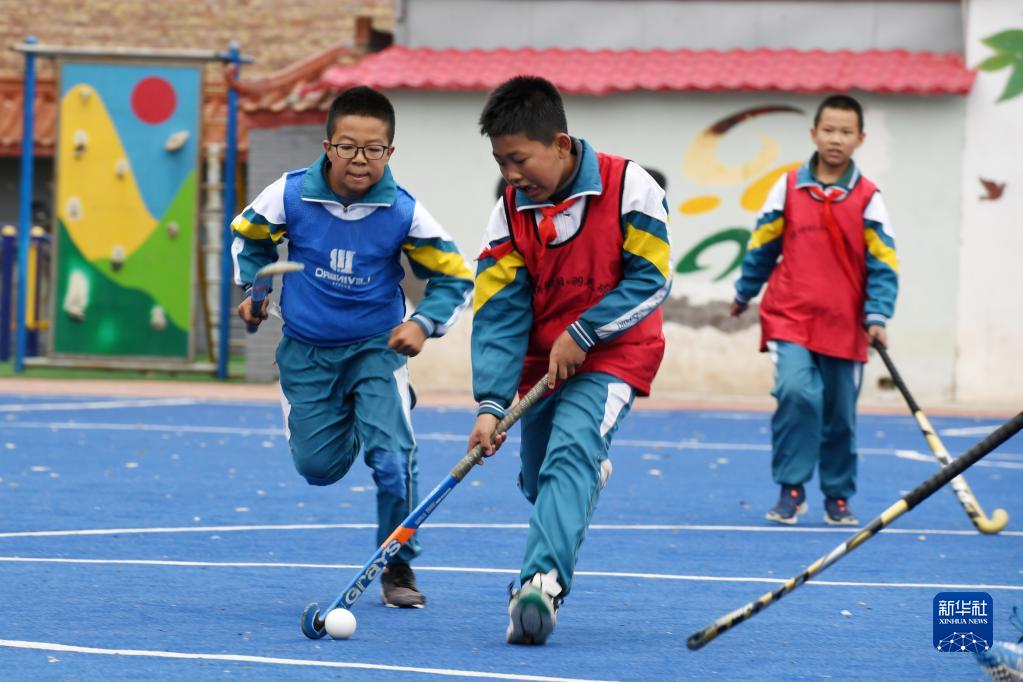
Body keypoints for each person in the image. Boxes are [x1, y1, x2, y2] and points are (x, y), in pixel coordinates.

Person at [231, 86, 474, 608]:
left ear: (389, 153)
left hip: (375, 349)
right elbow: (249, 238)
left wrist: (425, 324)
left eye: (373, 149)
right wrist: (255, 289)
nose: (359, 160)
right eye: (347, 147)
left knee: (392, 459)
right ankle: (366, 416)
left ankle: (397, 567)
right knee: (318, 470)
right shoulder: (290, 194)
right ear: (327, 145)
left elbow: (455, 278)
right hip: (306, 352)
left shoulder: (404, 211)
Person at [468, 76, 671, 644]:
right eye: (500, 161)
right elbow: (499, 311)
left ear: (559, 144)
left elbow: (652, 278)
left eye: (518, 159)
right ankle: (583, 473)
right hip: (544, 363)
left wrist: (584, 330)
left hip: (616, 353)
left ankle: (540, 584)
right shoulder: (509, 209)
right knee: (541, 480)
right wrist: (489, 403)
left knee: (572, 447)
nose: (509, 174)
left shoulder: (630, 185)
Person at [730, 94, 899, 527]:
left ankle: (838, 496)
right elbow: (762, 245)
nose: (836, 139)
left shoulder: (868, 197)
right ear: (813, 134)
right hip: (791, 316)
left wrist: (877, 315)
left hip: (846, 324)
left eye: (846, 132)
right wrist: (745, 292)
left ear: (860, 139)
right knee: (795, 393)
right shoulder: (786, 187)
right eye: (828, 130)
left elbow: (884, 263)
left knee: (840, 413)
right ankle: (791, 488)